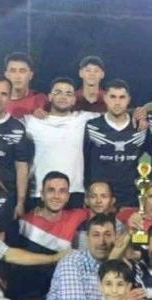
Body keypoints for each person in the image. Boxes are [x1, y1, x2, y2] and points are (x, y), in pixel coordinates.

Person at [11, 172, 91, 300]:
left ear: (68, 196)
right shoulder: (24, 223)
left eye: (62, 191)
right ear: (42, 195)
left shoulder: (77, 216)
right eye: (51, 190)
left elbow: (104, 210)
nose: (56, 196)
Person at [25, 77, 98, 210]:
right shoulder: (31, 122)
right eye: (58, 92)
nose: (63, 97)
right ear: (50, 97)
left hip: (74, 191)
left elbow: (116, 115)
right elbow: (3, 121)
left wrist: (137, 113)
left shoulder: (84, 118)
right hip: (41, 192)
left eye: (68, 93)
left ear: (74, 100)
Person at [84, 80, 144, 215]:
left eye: (122, 97)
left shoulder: (140, 126)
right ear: (105, 98)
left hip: (130, 197)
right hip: (100, 198)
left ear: (129, 99)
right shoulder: (92, 126)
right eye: (113, 97)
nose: (117, 102)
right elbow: (85, 160)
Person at [0, 75, 33, 218]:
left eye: (4, 94)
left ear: (10, 97)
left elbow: (22, 167)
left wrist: (20, 202)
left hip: (5, 196)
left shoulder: (17, 128)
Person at [4, 52, 47, 119]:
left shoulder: (41, 99)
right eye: (13, 71)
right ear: (6, 75)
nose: (17, 76)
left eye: (22, 71)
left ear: (30, 75)